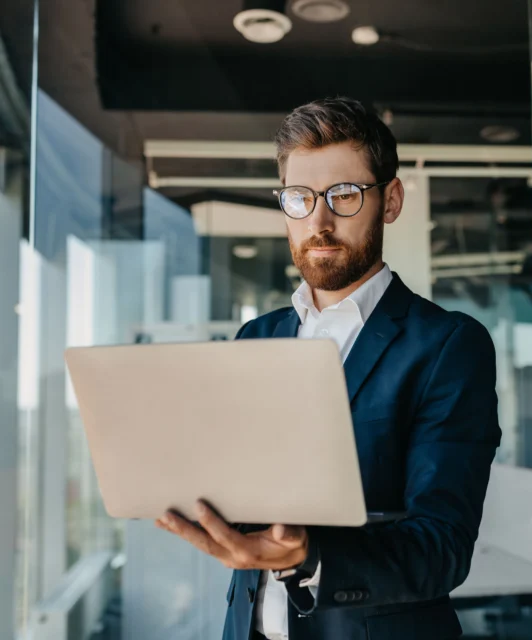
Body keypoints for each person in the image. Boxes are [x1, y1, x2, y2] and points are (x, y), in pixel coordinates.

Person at [155, 97, 502, 640]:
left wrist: (311, 556)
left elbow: (443, 547)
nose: (318, 221)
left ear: (389, 201)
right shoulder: (256, 338)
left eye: (343, 195)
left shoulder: (448, 346)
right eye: (299, 198)